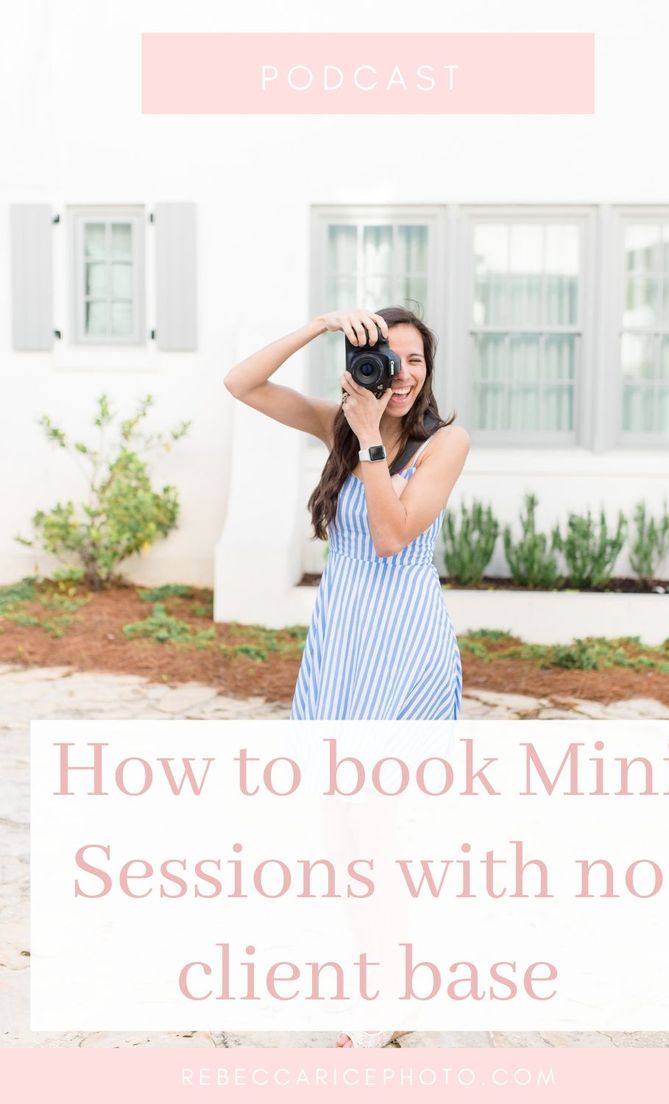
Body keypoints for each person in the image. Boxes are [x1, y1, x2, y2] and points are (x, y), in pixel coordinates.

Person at [224, 305, 470, 1046]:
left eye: (415, 361)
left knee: (372, 822)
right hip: (342, 643)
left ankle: (389, 995)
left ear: (428, 371)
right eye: (387, 358)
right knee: (338, 830)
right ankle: (383, 978)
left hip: (402, 646)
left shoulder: (444, 443)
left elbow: (393, 536)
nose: (400, 374)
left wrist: (368, 438)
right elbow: (241, 383)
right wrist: (319, 325)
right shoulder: (340, 424)